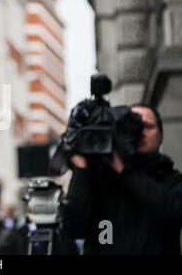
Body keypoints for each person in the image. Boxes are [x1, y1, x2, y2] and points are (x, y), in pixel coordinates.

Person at [62, 104, 182, 254]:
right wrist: (81, 170)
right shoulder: (100, 179)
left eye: (147, 126)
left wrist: (125, 171)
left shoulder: (170, 179)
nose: (139, 132)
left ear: (161, 136)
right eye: (131, 125)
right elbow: (73, 229)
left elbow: (175, 212)